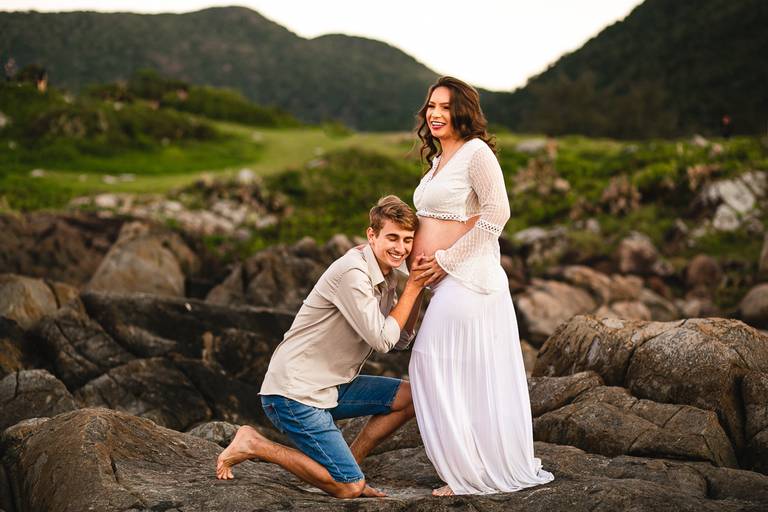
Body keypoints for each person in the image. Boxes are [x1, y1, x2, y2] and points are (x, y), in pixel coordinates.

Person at [216, 195, 426, 499]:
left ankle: (349, 466)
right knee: (349, 488)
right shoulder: (353, 273)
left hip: (332, 385)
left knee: (411, 397)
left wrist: (416, 289)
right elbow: (382, 341)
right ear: (372, 235)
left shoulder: (387, 275)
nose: (401, 248)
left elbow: (401, 340)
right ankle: (256, 444)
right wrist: (414, 286)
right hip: (294, 393)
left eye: (408, 240)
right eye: (392, 237)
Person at [409, 76, 555, 496]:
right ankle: (466, 468)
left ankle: (469, 475)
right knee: (456, 370)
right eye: (431, 106)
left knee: (433, 361)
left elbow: (496, 214)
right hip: (444, 283)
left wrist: (445, 261)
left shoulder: (476, 153)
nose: (436, 114)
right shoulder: (439, 160)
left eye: (445, 107)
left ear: (463, 112)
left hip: (470, 278)